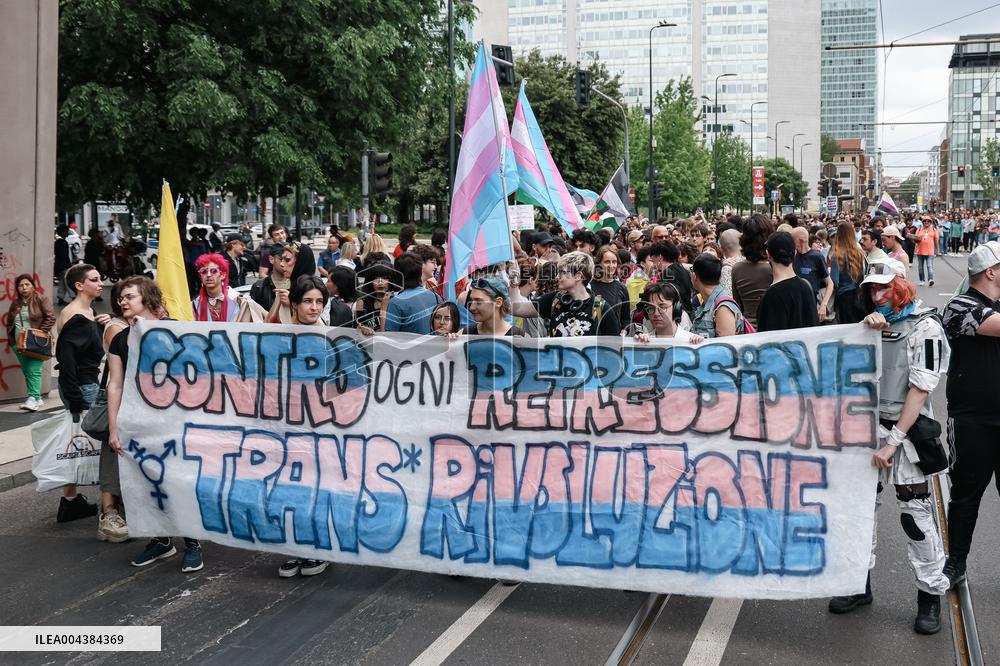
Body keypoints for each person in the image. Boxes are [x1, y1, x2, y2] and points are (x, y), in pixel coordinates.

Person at [828, 257, 950, 635]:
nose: (877, 295)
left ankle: (930, 597)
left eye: (884, 287)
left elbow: (920, 389)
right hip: (865, 431)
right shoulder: (869, 327)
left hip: (906, 435)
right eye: (872, 289)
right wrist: (865, 334)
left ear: (901, 284)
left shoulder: (926, 328)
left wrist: (894, 440)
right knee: (860, 512)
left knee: (915, 517)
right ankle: (858, 584)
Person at [107, 278, 205, 572]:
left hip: (175, 424)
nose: (123, 302)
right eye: (121, 298)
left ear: (148, 299)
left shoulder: (172, 329)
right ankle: (161, 540)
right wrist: (114, 428)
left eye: (130, 296)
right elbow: (115, 384)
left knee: (179, 483)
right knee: (147, 482)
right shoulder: (119, 339)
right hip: (139, 424)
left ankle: (192, 542)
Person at [940, 242, 1000, 590]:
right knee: (966, 496)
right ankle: (955, 563)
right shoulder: (960, 306)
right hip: (972, 419)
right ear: (991, 271)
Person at [54, 264, 108, 522]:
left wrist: (101, 325)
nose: (101, 284)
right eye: (95, 280)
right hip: (83, 387)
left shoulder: (88, 312)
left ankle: (70, 500)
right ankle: (111, 507)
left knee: (80, 443)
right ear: (79, 285)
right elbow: (67, 361)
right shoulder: (75, 315)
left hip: (85, 384)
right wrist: (75, 399)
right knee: (104, 443)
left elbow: (89, 347)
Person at [517, 251, 620, 337]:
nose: (557, 277)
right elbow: (516, 309)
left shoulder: (601, 308)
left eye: (562, 272)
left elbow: (613, 349)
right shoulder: (554, 299)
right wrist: (513, 285)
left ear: (578, 276)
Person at [6, 273, 55, 411]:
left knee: (34, 371)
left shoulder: (41, 299)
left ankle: (32, 398)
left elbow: (50, 317)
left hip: (36, 343)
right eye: (21, 285)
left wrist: (37, 335)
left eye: (27, 284)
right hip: (19, 344)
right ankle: (37, 398)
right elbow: (10, 323)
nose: (24, 287)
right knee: (27, 371)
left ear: (33, 286)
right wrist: (12, 343)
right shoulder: (16, 303)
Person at [756, 232, 820, 332]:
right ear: (794, 252)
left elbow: (768, 341)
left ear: (768, 255)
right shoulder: (806, 286)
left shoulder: (771, 295)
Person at [731, 214, 774, 328]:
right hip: (773, 328)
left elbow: (737, 304)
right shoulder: (774, 268)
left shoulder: (737, 269)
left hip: (747, 329)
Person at [383, 252, 442, 334]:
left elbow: (390, 336)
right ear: (420, 271)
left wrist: (383, 308)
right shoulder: (436, 297)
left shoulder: (395, 303)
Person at [690, 253, 745, 338]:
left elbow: (726, 348)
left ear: (694, 276)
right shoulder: (708, 302)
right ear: (720, 277)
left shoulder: (723, 308)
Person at [630, 282, 704, 343]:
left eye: (662, 307)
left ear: (676, 308)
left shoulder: (691, 341)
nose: (656, 313)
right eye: (651, 308)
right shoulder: (644, 341)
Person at [827, 221, 867, 324]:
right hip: (858, 294)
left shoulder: (836, 255)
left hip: (844, 296)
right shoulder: (859, 252)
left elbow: (835, 281)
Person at [791, 227, 833, 322]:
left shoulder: (816, 257)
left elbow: (830, 283)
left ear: (801, 240)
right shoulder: (792, 257)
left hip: (811, 307)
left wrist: (823, 305)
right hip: (795, 308)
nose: (790, 244)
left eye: (792, 240)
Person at [250, 242, 296, 322]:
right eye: (281, 259)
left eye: (288, 260)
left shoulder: (298, 284)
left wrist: (293, 304)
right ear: (271, 259)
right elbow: (253, 316)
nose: (284, 263)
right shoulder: (259, 286)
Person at [192, 253, 242, 322]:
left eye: (214, 271)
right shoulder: (194, 305)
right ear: (200, 276)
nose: (208, 275)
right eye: (204, 271)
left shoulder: (240, 301)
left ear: (223, 275)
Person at [590, 245, 630, 330]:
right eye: (607, 262)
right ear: (599, 263)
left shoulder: (622, 288)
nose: (611, 265)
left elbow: (626, 319)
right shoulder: (590, 287)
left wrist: (624, 331)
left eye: (614, 262)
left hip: (615, 339)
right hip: (595, 338)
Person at [914, 217, 938, 287]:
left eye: (928, 221)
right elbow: (916, 239)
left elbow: (936, 240)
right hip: (920, 251)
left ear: (931, 222)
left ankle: (930, 279)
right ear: (923, 222)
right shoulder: (919, 229)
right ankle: (922, 280)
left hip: (930, 251)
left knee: (929, 266)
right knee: (920, 267)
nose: (926, 222)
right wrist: (915, 247)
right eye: (925, 221)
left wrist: (937, 250)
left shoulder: (934, 230)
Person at [54, 225, 74, 305]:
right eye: (66, 231)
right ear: (62, 232)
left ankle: (60, 298)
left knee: (62, 282)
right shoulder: (62, 242)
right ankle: (73, 296)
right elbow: (64, 256)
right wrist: (68, 265)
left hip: (61, 266)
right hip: (64, 266)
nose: (67, 232)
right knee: (68, 282)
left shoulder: (59, 242)